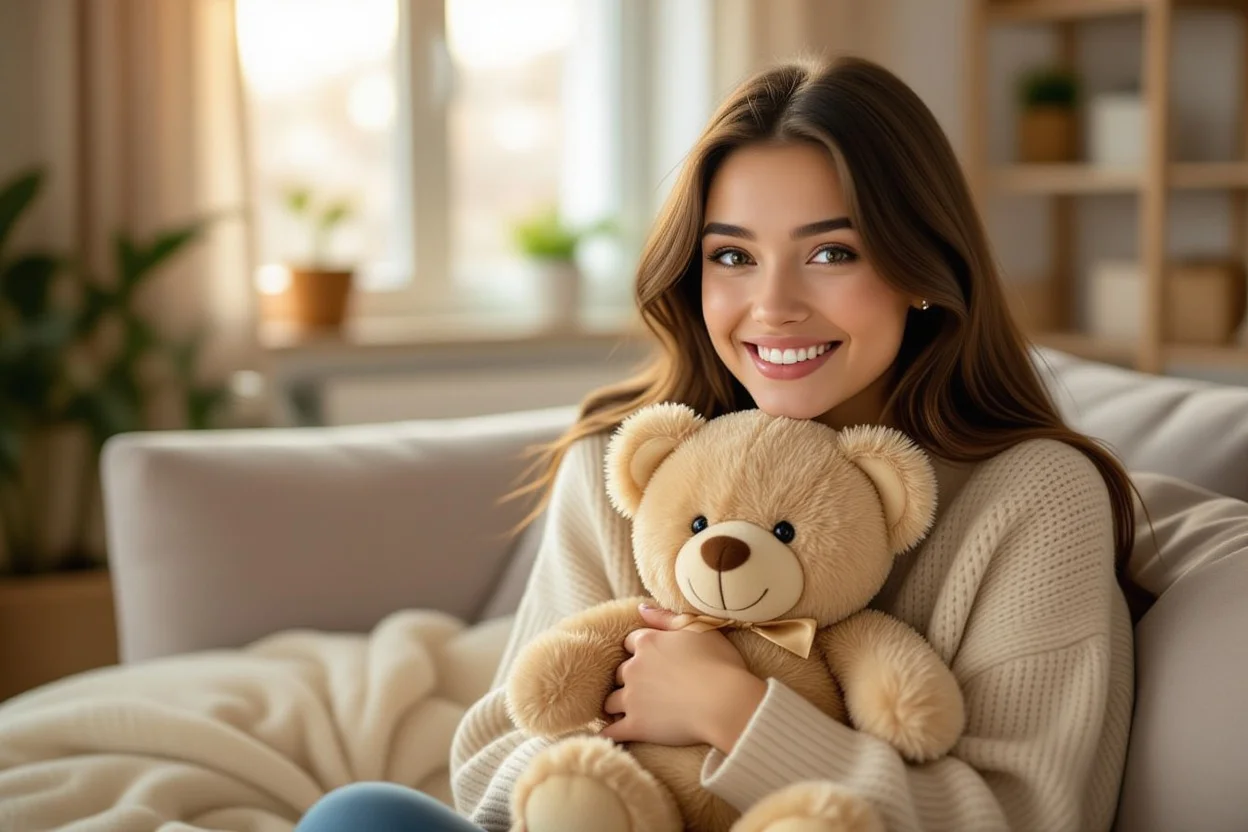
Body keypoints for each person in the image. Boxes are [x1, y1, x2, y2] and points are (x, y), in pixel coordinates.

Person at [295, 55, 1138, 832]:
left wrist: (732, 715)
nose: (772, 306)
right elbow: (489, 763)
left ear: (921, 266)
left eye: (832, 252)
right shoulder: (626, 465)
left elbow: (1024, 815)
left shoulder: (1034, 497)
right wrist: (605, 779)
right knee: (357, 817)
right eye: (732, 256)